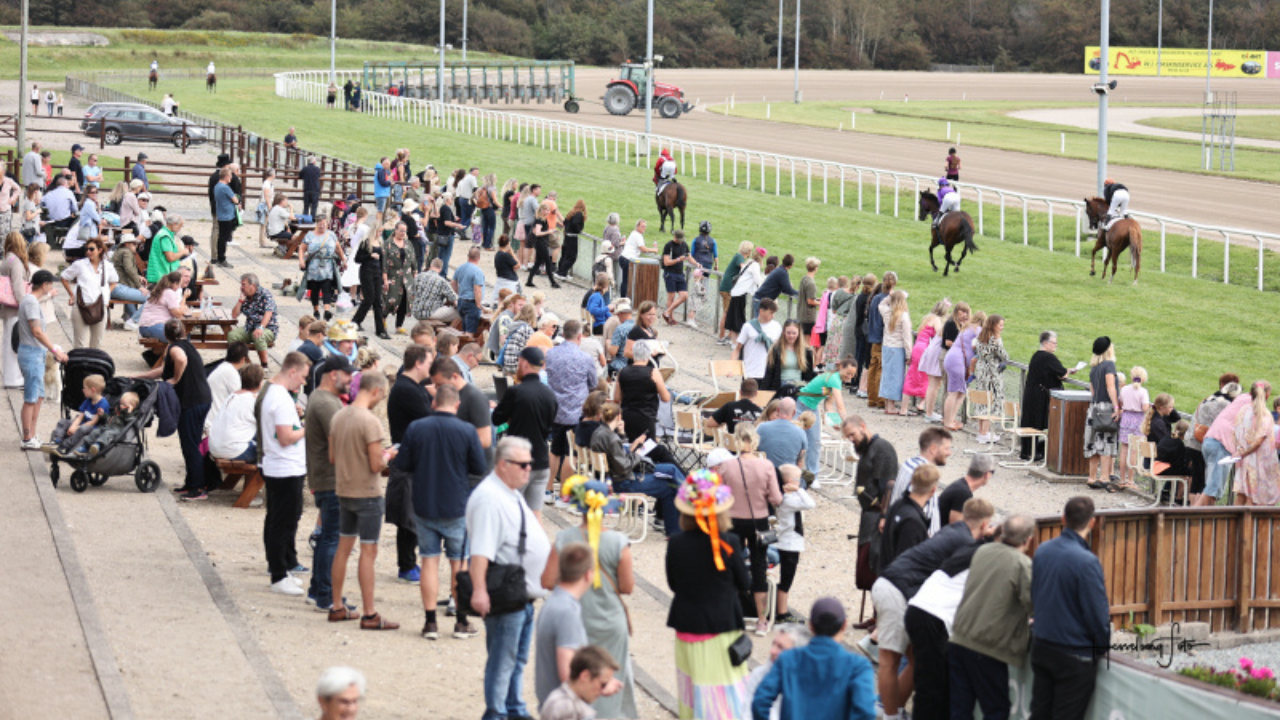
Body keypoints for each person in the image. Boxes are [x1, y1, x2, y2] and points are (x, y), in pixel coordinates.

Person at [468, 437, 553, 720]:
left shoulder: (508, 491)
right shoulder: (490, 499)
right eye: (523, 464)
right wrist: (479, 590)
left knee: (515, 659)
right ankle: (497, 712)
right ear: (503, 465)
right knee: (503, 659)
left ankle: (513, 707)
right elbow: (480, 551)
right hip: (505, 590)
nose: (530, 469)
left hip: (522, 591)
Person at [397, 383, 486, 639]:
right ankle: (460, 621)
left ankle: (430, 622)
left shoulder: (417, 428)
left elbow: (403, 463)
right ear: (457, 405)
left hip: (424, 503)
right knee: (458, 563)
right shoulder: (467, 430)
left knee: (429, 561)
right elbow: (479, 466)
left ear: (434, 403)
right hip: (456, 504)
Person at [665, 470, 751, 719]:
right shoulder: (730, 541)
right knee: (721, 693)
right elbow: (744, 582)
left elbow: (673, 584)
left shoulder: (676, 543)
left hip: (686, 624)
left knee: (691, 691)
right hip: (720, 625)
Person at [327, 371, 398, 629]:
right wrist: (388, 455)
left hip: (344, 490)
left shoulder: (338, 416)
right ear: (377, 391)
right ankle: (370, 613)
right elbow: (375, 464)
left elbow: (333, 457)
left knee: (343, 549)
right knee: (368, 552)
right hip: (367, 493)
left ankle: (336, 605)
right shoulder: (370, 422)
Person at [1030, 497, 1110, 720]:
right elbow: (1097, 613)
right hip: (1073, 653)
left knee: (1039, 712)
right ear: (1092, 523)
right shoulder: (1087, 562)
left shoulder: (1043, 550)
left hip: (1043, 644)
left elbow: (1035, 594)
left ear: (1063, 519)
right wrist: (1102, 645)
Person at [949, 514, 1035, 720]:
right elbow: (1034, 603)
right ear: (1029, 539)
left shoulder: (983, 551)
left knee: (960, 709)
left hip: (959, 637)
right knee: (995, 709)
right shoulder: (1022, 563)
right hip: (987, 646)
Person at [752, 597, 877, 720]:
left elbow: (760, 701)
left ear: (811, 626)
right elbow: (865, 711)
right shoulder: (858, 666)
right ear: (844, 625)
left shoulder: (788, 659)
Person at [137, 319, 212, 499]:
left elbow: (180, 359)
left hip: (192, 401)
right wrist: (140, 377)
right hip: (202, 399)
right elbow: (162, 371)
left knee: (190, 444)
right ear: (183, 331)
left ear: (165, 334)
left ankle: (198, 488)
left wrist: (177, 379)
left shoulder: (175, 348)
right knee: (190, 442)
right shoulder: (186, 344)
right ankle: (191, 483)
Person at [719, 425, 784, 633]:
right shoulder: (766, 466)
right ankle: (762, 620)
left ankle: (729, 613)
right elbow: (776, 498)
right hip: (758, 521)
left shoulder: (726, 466)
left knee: (730, 567)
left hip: (732, 521)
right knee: (759, 569)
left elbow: (718, 497)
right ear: (755, 442)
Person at [591, 402, 682, 537]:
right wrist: (638, 454)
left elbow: (618, 455)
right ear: (618, 417)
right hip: (624, 480)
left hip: (613, 477)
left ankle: (676, 529)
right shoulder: (611, 437)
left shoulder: (599, 432)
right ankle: (688, 511)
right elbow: (623, 466)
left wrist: (624, 436)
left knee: (671, 470)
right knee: (670, 485)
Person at [492, 347, 559, 516]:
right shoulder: (550, 395)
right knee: (535, 514)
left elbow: (496, 419)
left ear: (524, 363)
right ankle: (538, 543)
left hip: (518, 459)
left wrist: (508, 415)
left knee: (512, 512)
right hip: (542, 459)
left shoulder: (516, 391)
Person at [534, 542, 598, 707]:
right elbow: (568, 672)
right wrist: (601, 686)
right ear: (588, 575)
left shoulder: (553, 602)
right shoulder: (567, 611)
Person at [16, 270, 66, 449]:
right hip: (31, 353)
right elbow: (36, 331)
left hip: (35, 352)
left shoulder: (32, 301)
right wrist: (54, 350)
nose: (52, 287)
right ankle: (27, 436)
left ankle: (32, 434)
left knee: (38, 396)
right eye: (51, 283)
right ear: (44, 285)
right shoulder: (30, 302)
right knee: (31, 397)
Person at [795, 358, 858, 478]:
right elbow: (840, 406)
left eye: (852, 375)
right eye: (848, 373)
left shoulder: (834, 378)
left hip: (812, 408)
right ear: (840, 368)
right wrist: (846, 424)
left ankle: (812, 476)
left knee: (815, 442)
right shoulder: (834, 379)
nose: (849, 377)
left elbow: (829, 404)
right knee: (795, 439)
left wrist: (835, 422)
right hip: (800, 405)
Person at [1019, 331, 1076, 461]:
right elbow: (1062, 373)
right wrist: (1069, 372)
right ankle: (1035, 452)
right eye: (1053, 343)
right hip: (1040, 396)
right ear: (1045, 343)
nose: (1055, 345)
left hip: (1031, 393)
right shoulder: (1048, 357)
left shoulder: (1036, 356)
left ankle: (1028, 451)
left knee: (1031, 421)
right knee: (1040, 423)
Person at [887, 427, 954, 537]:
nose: (949, 453)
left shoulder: (908, 464)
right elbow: (923, 513)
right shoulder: (924, 476)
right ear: (933, 448)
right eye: (946, 449)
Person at [1191, 375, 1243, 507]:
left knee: (1199, 482)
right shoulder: (1226, 404)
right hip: (1210, 441)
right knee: (1208, 485)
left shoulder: (1210, 398)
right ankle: (1195, 516)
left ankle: (1194, 512)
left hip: (1196, 440)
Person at [1084, 337, 1121, 492]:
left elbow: (1093, 390)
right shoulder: (1109, 365)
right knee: (1107, 441)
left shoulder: (1094, 368)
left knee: (1093, 442)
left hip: (1094, 408)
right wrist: (1116, 406)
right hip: (1106, 408)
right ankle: (1105, 477)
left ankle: (1092, 477)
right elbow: (1110, 386)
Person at [1233, 381, 1278, 507]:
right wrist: (1245, 452)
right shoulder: (1264, 414)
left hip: (1243, 460)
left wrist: (1240, 451)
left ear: (1250, 393)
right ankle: (1251, 527)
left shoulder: (1243, 410)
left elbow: (1235, 432)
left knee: (1241, 496)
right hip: (1260, 462)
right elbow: (1259, 441)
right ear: (1267, 395)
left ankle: (1233, 527)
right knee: (1253, 498)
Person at [208, 363, 263, 464]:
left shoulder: (232, 396)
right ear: (260, 383)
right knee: (273, 452)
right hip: (233, 451)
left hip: (215, 447)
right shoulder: (253, 401)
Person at [942, 309, 984, 431]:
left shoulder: (966, 328)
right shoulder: (977, 330)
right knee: (955, 392)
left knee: (960, 392)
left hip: (952, 358)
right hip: (957, 361)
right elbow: (982, 344)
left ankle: (951, 418)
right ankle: (948, 421)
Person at [48, 373, 109, 456]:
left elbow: (93, 422)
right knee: (63, 422)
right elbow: (80, 416)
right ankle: (56, 440)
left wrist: (77, 428)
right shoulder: (88, 400)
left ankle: (64, 446)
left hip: (90, 428)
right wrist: (73, 426)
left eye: (85, 388)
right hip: (82, 423)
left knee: (82, 429)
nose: (82, 390)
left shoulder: (103, 404)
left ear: (93, 390)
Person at [970, 314, 1009, 444]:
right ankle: (984, 432)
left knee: (982, 400)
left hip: (981, 370)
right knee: (990, 401)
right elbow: (1004, 355)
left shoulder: (980, 337)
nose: (1002, 328)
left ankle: (981, 431)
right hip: (991, 373)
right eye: (1000, 325)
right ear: (994, 325)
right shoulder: (995, 339)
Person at [1, 231, 32, 387]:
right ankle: (13, 377)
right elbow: (18, 287)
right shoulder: (16, 262)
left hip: (6, 307)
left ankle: (9, 376)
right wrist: (25, 305)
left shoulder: (7, 259)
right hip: (15, 308)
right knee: (15, 343)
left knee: (8, 340)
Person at [301, 216, 345, 321]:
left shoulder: (331, 235)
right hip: (314, 265)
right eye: (320, 223)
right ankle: (316, 310)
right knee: (315, 289)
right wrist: (301, 260)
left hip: (327, 265)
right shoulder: (310, 235)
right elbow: (302, 248)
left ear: (327, 224)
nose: (322, 225)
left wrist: (344, 260)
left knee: (327, 288)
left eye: (324, 223)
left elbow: (338, 249)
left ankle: (326, 311)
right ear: (317, 224)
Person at [229, 274, 278, 366]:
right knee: (232, 335)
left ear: (253, 286)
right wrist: (240, 300)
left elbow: (268, 312)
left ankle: (264, 366)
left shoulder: (265, 294)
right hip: (249, 328)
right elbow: (234, 315)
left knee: (259, 336)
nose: (241, 287)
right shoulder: (245, 296)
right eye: (241, 284)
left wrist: (261, 327)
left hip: (267, 328)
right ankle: (240, 363)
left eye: (244, 284)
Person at [864, 272, 896, 409]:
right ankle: (880, 398)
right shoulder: (889, 300)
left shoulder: (875, 298)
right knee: (881, 368)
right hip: (884, 337)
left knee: (873, 366)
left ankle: (871, 397)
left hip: (873, 336)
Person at [878, 289, 913, 415]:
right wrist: (909, 354)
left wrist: (889, 296)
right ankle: (891, 406)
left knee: (887, 375)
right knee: (895, 377)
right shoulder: (903, 316)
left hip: (887, 346)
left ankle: (888, 404)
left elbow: (881, 304)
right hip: (897, 348)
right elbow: (907, 337)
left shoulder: (888, 312)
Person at [937, 454, 993, 525]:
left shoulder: (961, 485)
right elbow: (956, 528)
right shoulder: (963, 493)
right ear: (986, 474)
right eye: (992, 472)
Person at [382, 222, 416, 335]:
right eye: (401, 230)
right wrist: (385, 279)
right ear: (395, 230)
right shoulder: (388, 244)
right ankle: (382, 319)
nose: (403, 233)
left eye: (404, 231)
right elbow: (384, 264)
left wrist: (415, 274)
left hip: (407, 277)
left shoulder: (408, 244)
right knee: (390, 300)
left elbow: (413, 261)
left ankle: (399, 326)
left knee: (404, 301)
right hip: (393, 276)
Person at [735, 298, 781, 382]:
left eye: (773, 313)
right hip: (750, 372)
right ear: (761, 311)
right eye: (770, 313)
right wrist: (731, 366)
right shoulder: (748, 326)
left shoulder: (777, 326)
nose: (773, 316)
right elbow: (737, 348)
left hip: (768, 373)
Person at [761, 320, 813, 392]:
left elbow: (809, 374)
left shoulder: (806, 351)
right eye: (788, 333)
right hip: (781, 385)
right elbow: (769, 373)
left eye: (794, 333)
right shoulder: (776, 349)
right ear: (783, 333)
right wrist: (764, 391)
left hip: (799, 386)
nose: (791, 336)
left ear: (799, 333)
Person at [660, 229, 693, 325]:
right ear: (675, 237)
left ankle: (667, 312)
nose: (681, 241)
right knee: (671, 296)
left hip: (680, 273)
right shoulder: (668, 246)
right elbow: (666, 262)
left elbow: (689, 257)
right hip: (670, 273)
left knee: (684, 296)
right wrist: (678, 259)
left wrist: (697, 263)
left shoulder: (684, 245)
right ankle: (670, 317)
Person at [618, 219, 656, 298]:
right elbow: (643, 249)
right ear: (637, 226)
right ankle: (623, 298)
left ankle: (625, 297)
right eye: (642, 226)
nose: (644, 228)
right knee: (627, 280)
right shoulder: (638, 235)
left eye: (645, 226)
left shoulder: (633, 233)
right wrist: (653, 250)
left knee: (626, 280)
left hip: (623, 257)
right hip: (627, 259)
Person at [752, 254, 798, 318]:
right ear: (791, 264)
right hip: (761, 301)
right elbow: (788, 290)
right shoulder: (782, 273)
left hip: (760, 300)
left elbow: (784, 288)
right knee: (759, 325)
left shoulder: (780, 270)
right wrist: (800, 294)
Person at [453, 246, 486, 334]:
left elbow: (453, 283)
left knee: (464, 328)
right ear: (478, 258)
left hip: (461, 301)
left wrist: (459, 293)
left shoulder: (460, 268)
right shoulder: (477, 271)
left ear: (468, 256)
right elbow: (477, 290)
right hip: (472, 303)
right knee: (469, 332)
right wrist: (479, 305)